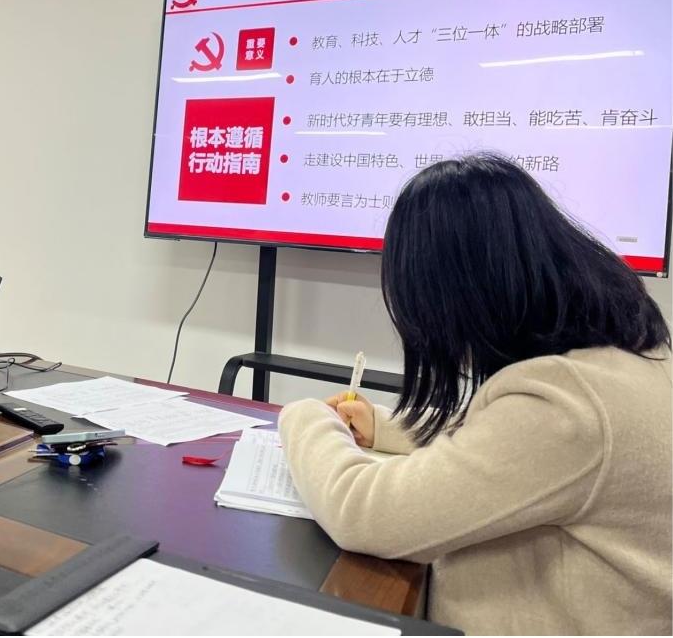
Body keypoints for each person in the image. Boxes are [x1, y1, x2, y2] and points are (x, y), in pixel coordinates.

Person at [278, 153, 671, 635]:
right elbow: (504, 448)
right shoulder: (620, 363)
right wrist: (386, 426)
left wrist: (303, 417)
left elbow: (362, 513)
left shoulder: (567, 409)